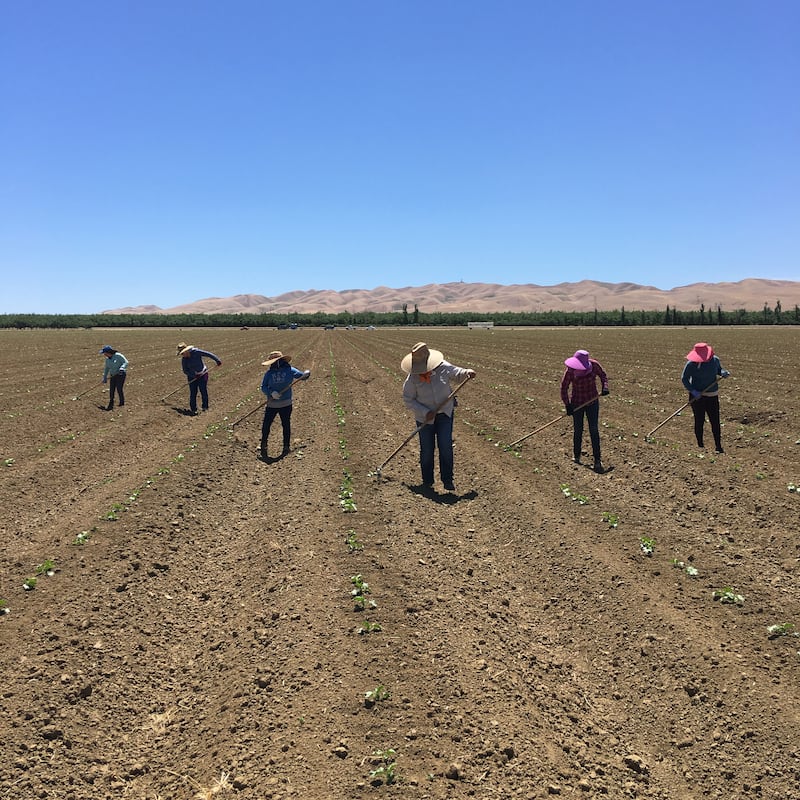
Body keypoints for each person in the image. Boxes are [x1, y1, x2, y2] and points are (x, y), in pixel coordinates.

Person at [401, 342, 475, 492]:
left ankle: (447, 480)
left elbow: (457, 372)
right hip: (424, 419)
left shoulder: (442, 367)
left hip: (445, 414)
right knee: (427, 449)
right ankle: (427, 481)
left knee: (445, 446)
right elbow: (408, 400)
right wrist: (424, 412)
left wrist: (467, 372)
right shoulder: (412, 378)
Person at [560, 349, 609, 473]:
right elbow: (564, 388)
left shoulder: (594, 366)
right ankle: (576, 456)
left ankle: (597, 461)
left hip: (592, 401)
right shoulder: (570, 371)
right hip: (577, 403)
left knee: (593, 429)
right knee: (578, 429)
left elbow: (603, 376)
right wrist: (568, 405)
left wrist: (605, 387)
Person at [259, 350, 310, 460]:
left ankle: (286, 446)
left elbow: (301, 376)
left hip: (286, 404)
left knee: (286, 424)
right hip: (272, 404)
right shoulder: (269, 373)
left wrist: (306, 374)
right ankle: (263, 444)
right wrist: (271, 392)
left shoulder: (289, 370)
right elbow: (263, 386)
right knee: (266, 425)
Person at [681, 342, 730, 453]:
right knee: (699, 420)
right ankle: (700, 445)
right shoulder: (691, 364)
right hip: (697, 397)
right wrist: (693, 391)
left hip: (712, 396)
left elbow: (719, 370)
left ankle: (718, 446)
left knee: (715, 421)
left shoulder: (715, 360)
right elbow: (684, 379)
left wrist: (723, 372)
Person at [177, 343, 222, 415]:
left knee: (203, 390)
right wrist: (193, 375)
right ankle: (193, 409)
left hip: (203, 374)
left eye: (183, 353)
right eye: (181, 354)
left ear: (187, 351)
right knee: (193, 392)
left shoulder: (196, 352)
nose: (182, 355)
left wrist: (217, 360)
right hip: (192, 377)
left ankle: (205, 407)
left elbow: (208, 354)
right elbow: (185, 370)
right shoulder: (184, 360)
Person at [99, 345, 129, 410]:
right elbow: (106, 369)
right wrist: (104, 377)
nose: (104, 354)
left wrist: (122, 368)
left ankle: (121, 402)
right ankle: (111, 401)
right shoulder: (107, 360)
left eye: (105, 353)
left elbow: (126, 362)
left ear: (108, 352)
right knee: (112, 389)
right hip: (113, 375)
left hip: (120, 374)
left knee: (119, 388)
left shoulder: (118, 356)